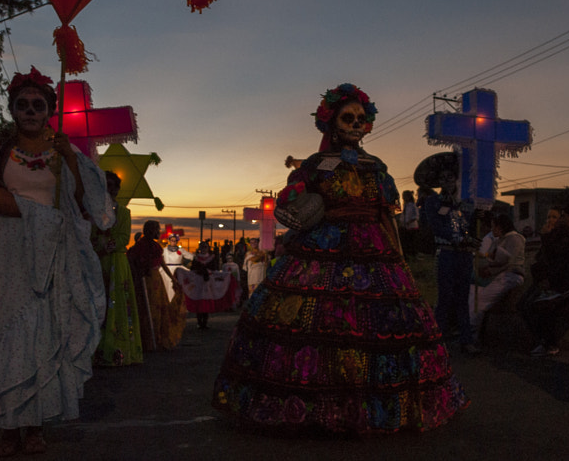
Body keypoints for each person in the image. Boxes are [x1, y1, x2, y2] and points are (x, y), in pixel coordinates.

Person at [212, 83, 469, 434]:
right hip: (321, 246)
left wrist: (399, 260)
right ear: (331, 122)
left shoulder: (377, 167)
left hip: (374, 249)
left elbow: (385, 216)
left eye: (361, 119)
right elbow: (295, 209)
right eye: (347, 118)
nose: (355, 124)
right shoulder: (316, 166)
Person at [0, 67, 112, 457]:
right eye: (22, 105)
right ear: (12, 109)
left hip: (50, 258)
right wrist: (36, 216)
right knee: (3, 334)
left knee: (41, 337)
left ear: (49, 111)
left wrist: (71, 159)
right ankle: (6, 427)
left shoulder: (62, 152)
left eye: (38, 105)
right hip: (4, 255)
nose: (30, 111)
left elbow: (84, 197)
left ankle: (34, 426)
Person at [519, 204, 569, 357]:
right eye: (549, 217)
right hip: (553, 279)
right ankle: (542, 341)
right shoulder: (565, 233)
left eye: (559, 216)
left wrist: (556, 282)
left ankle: (549, 344)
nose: (556, 220)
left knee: (547, 303)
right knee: (526, 304)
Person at [423, 155, 480, 355]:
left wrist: (474, 238)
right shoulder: (433, 201)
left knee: (463, 298)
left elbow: (474, 226)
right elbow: (437, 227)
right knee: (445, 297)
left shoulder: (469, 202)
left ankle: (466, 340)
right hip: (446, 253)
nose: (447, 182)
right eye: (443, 178)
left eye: (450, 177)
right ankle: (438, 340)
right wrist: (456, 237)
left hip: (465, 255)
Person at [92, 172, 142, 367]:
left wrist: (107, 244)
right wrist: (98, 244)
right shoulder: (93, 211)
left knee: (117, 302)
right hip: (97, 261)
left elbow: (124, 238)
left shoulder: (124, 213)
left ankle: (116, 348)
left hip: (116, 263)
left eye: (112, 186)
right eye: (105, 185)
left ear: (117, 190)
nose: (109, 189)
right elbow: (90, 235)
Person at [126, 220, 184, 352]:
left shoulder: (155, 246)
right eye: (157, 229)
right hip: (146, 282)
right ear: (151, 230)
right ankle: (148, 341)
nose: (159, 232)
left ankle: (156, 339)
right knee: (149, 311)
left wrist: (172, 279)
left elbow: (161, 263)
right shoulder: (142, 246)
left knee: (158, 311)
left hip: (156, 281)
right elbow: (133, 260)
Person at [469, 213, 525, 345]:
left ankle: (472, 336)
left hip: (510, 275)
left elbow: (510, 262)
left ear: (500, 227)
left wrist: (491, 270)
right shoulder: (498, 240)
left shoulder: (514, 239)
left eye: (494, 227)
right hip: (498, 274)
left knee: (480, 301)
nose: (492, 230)